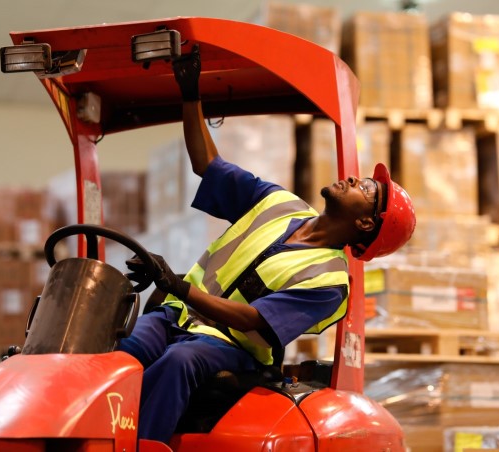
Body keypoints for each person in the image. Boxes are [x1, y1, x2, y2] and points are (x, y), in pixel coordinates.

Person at [117, 44, 416, 443]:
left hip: (228, 347)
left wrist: (175, 283)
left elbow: (251, 321)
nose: (354, 179)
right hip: (176, 316)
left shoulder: (330, 283)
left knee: (179, 361)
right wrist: (190, 95)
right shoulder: (279, 203)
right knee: (121, 357)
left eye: (365, 188)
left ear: (365, 222)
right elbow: (208, 165)